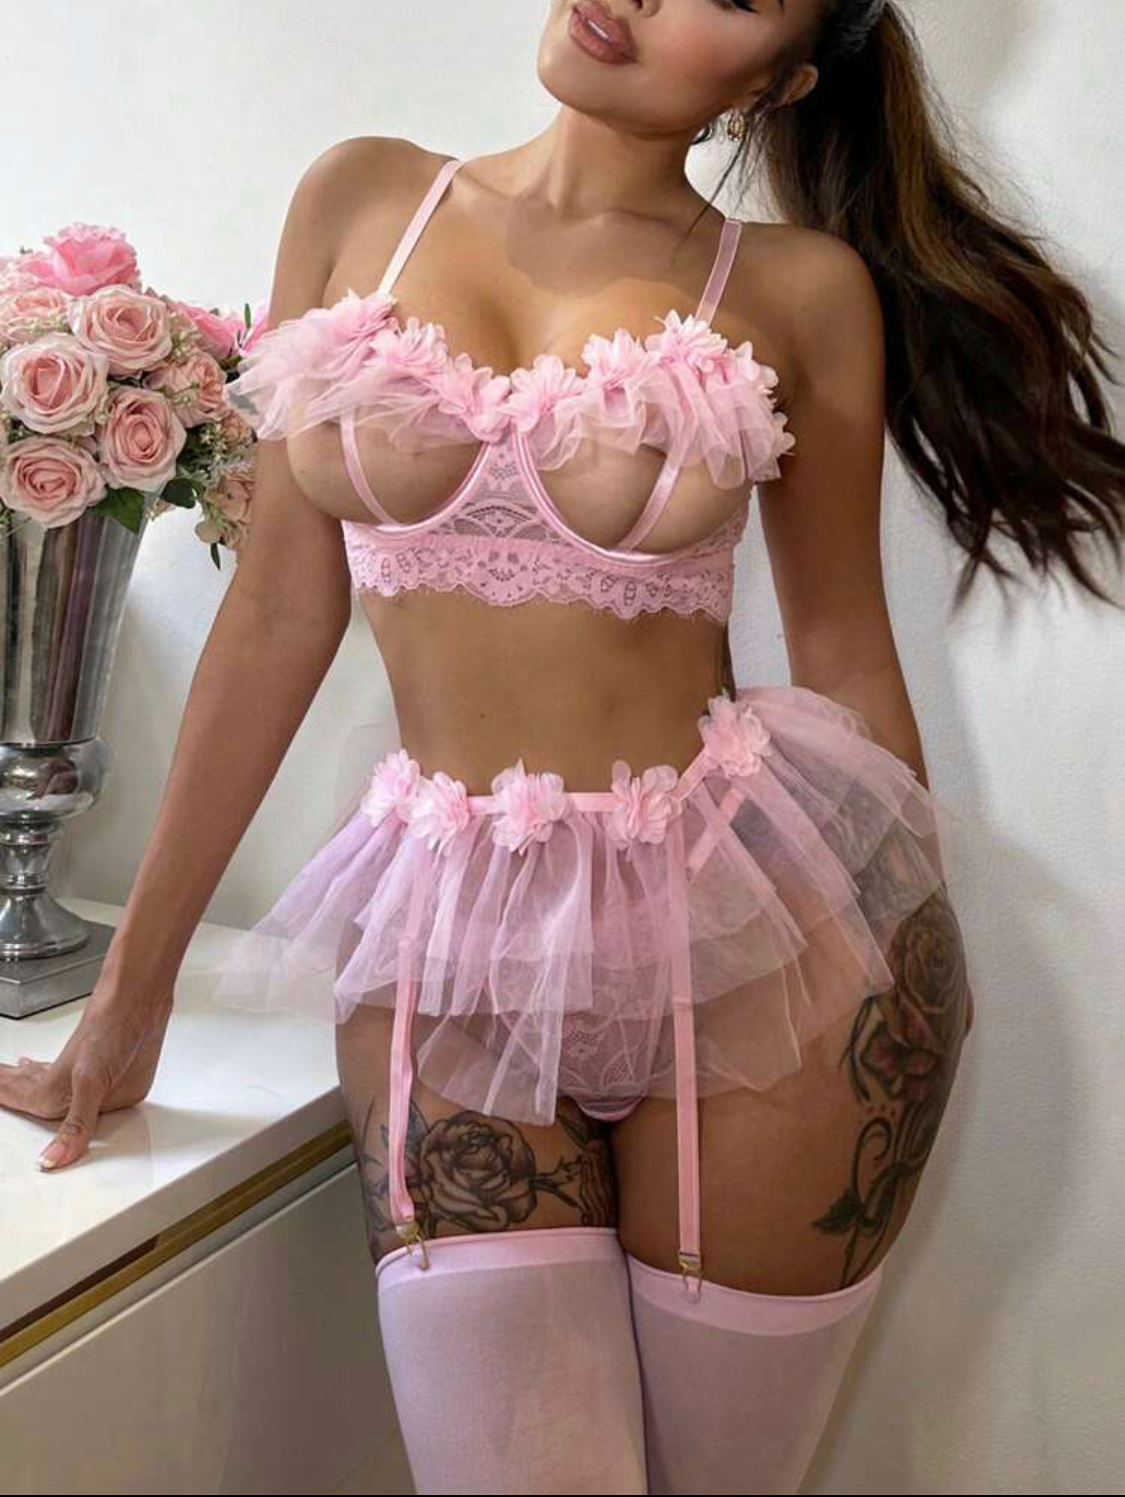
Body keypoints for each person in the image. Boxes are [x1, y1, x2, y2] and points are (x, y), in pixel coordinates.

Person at [3, 2, 1122, 1493]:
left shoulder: (801, 287)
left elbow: (846, 645)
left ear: (778, 81)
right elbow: (274, 614)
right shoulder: (361, 196)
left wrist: (913, 925)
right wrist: (129, 997)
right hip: (447, 947)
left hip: (762, 963)